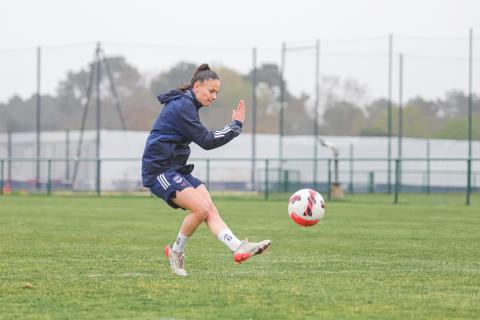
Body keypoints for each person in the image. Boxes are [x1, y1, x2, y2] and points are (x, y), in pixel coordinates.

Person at [142, 64, 271, 276]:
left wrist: (233, 127)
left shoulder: (186, 103)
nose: (214, 97)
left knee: (209, 209)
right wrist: (235, 126)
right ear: (196, 86)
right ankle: (176, 252)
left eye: (217, 92)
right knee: (201, 209)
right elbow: (207, 140)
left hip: (177, 169)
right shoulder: (183, 106)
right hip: (159, 171)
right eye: (211, 91)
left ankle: (238, 247)